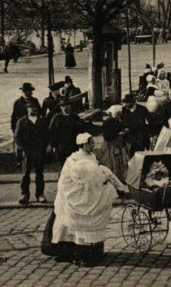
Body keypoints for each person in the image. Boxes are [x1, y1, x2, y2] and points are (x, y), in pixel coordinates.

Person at [52, 133, 127, 266]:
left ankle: (92, 253)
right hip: (77, 195)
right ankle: (77, 253)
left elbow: (98, 175)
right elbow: (65, 180)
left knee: (89, 225)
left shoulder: (92, 157)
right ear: (84, 144)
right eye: (91, 142)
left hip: (91, 195)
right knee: (75, 227)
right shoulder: (72, 160)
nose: (94, 145)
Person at [15, 105, 49, 204]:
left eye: (35, 108)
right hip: (27, 151)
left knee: (39, 173)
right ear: (27, 109)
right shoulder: (21, 121)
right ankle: (24, 194)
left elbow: (47, 135)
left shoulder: (43, 121)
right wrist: (23, 148)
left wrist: (46, 146)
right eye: (31, 107)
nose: (33, 109)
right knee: (26, 173)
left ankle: (40, 194)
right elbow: (17, 137)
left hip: (39, 151)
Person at [97, 105, 130, 182]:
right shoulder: (107, 123)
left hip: (119, 144)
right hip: (110, 145)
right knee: (112, 163)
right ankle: (112, 179)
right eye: (117, 114)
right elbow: (106, 136)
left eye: (120, 114)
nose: (119, 116)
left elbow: (122, 128)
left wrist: (125, 130)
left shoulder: (118, 121)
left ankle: (120, 178)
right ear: (112, 114)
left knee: (120, 163)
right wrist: (118, 134)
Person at [49, 98, 84, 168]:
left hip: (73, 145)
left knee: (74, 165)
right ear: (60, 107)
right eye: (63, 106)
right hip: (60, 146)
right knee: (62, 165)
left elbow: (81, 131)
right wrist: (53, 145)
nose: (65, 108)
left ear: (70, 106)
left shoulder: (75, 117)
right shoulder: (56, 117)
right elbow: (51, 132)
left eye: (67, 105)